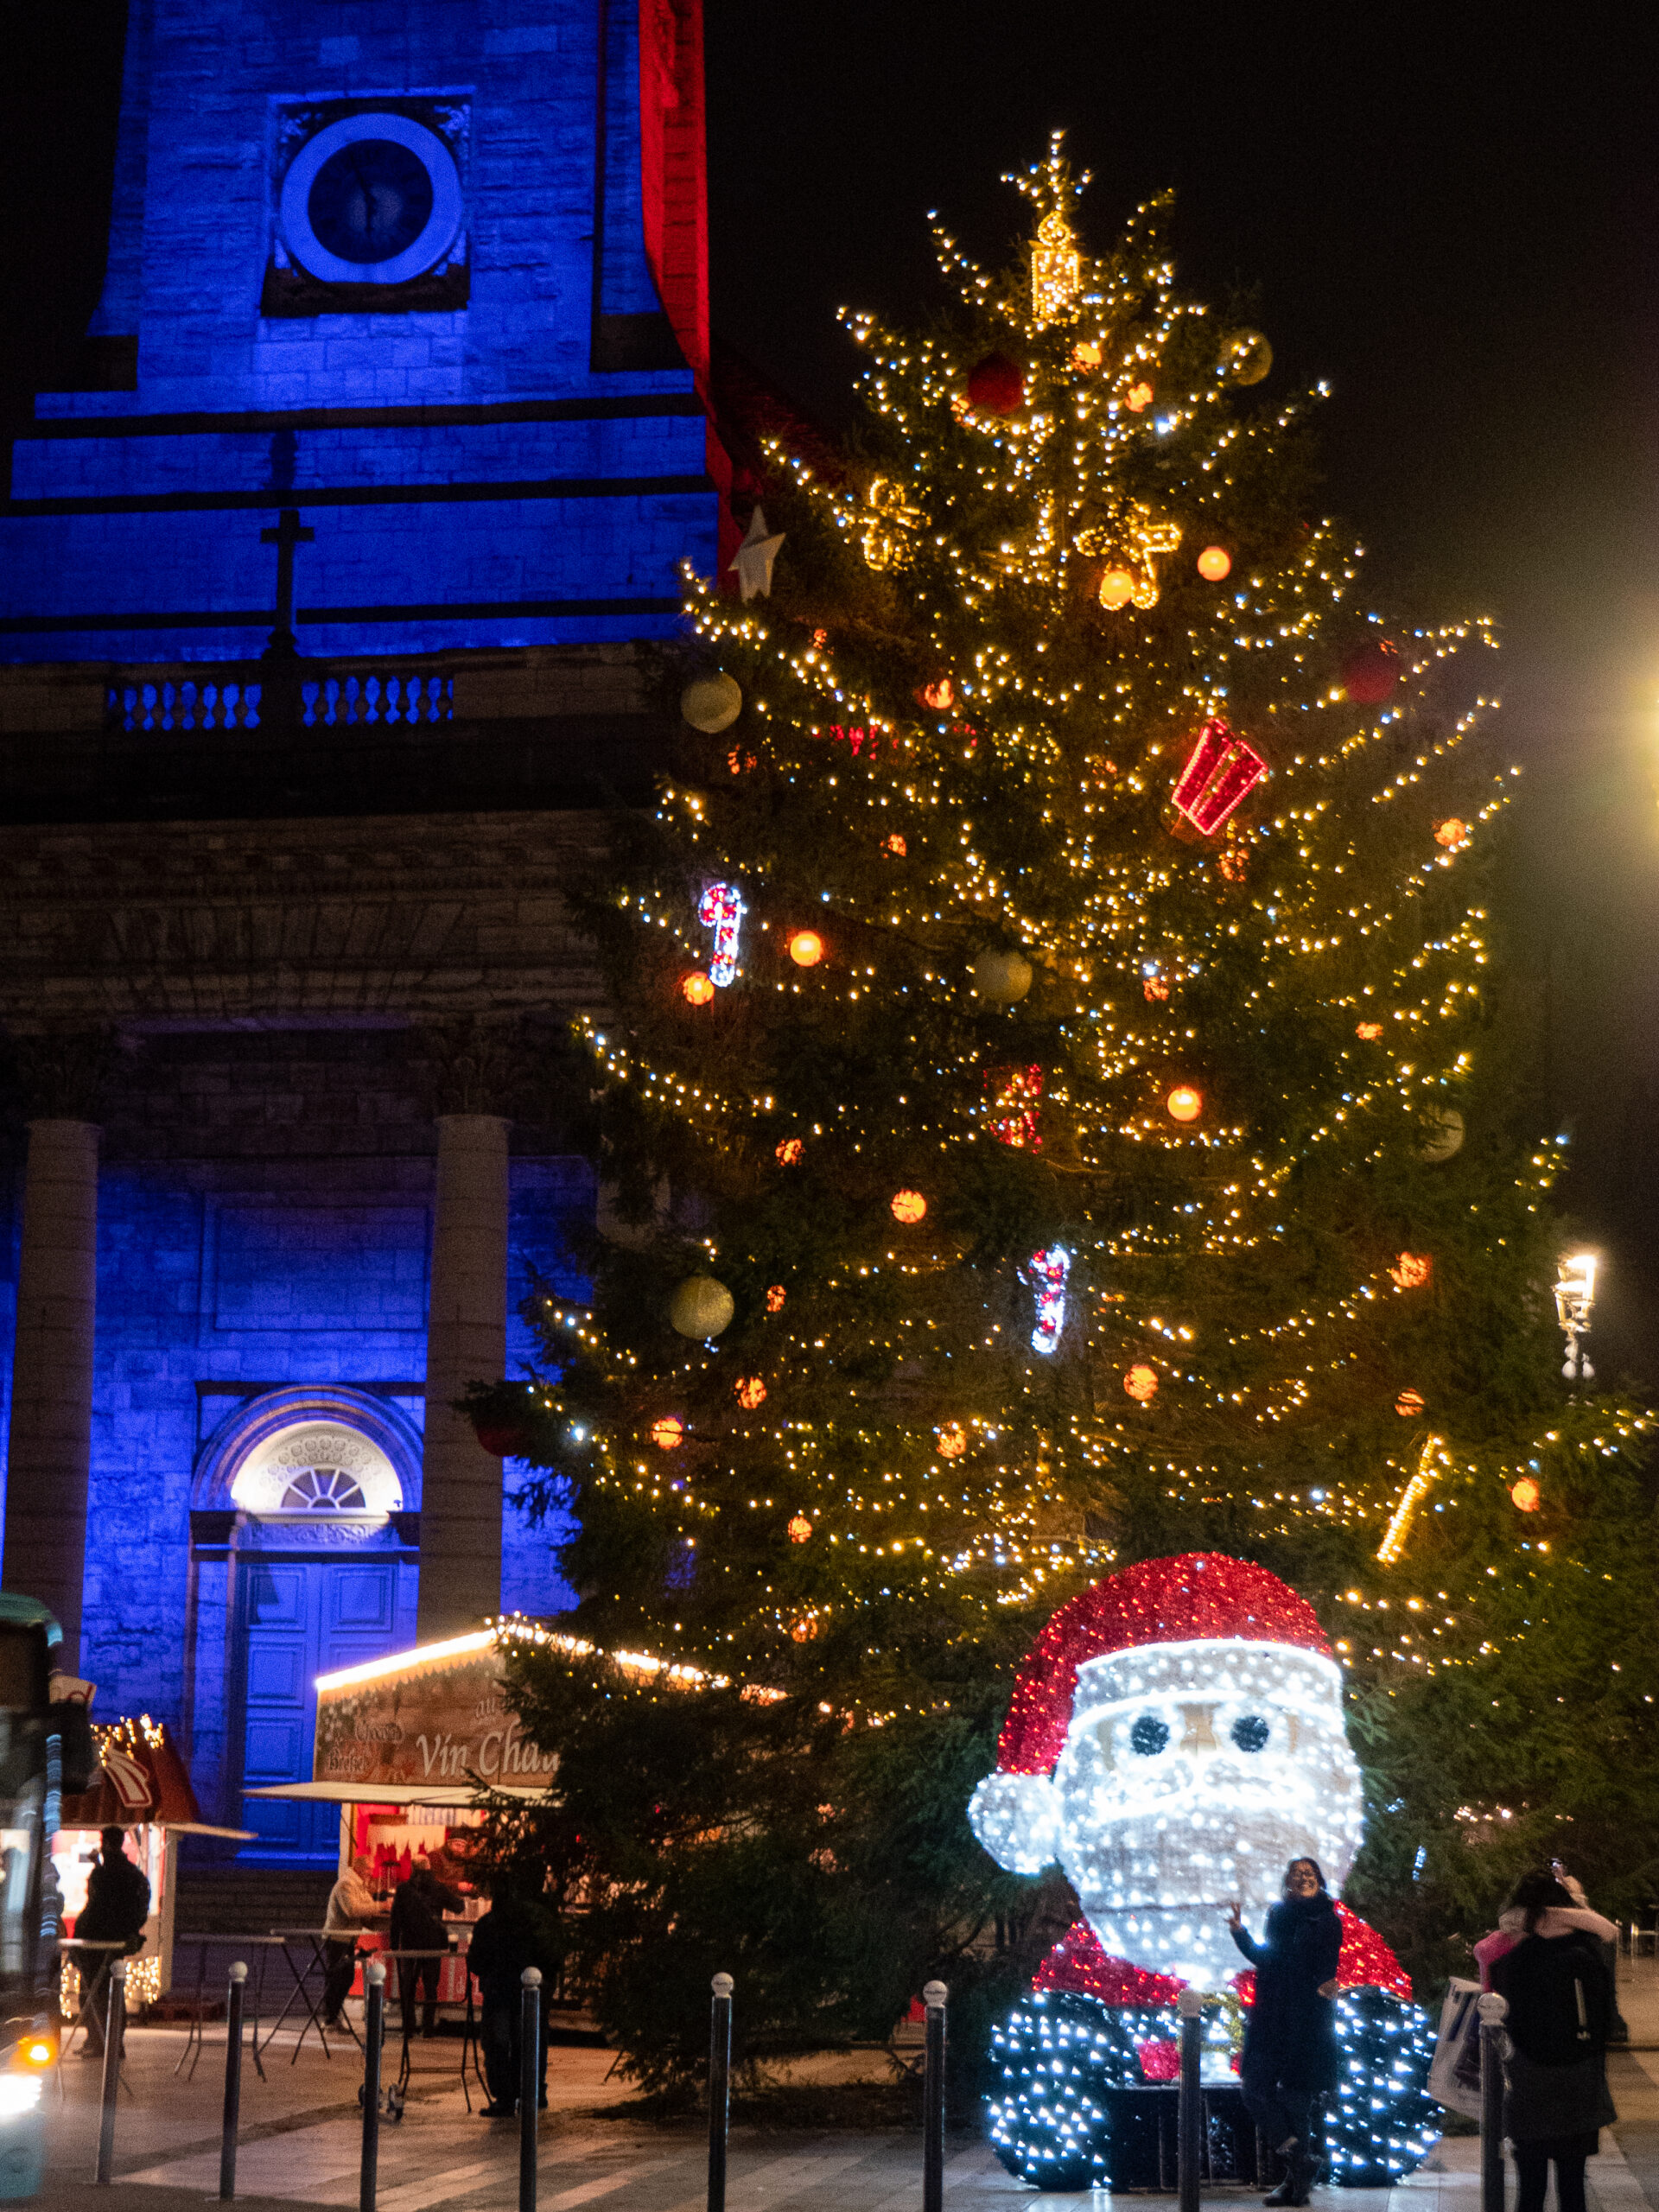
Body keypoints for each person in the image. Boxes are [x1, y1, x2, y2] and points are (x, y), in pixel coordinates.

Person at [1486, 1872, 1617, 2212]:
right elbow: (1607, 2019)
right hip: (1579, 2078)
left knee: (1530, 2187)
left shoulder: (1512, 1960)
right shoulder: (1587, 1954)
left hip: (1529, 2077)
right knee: (1573, 2184)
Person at [1227, 1856, 1342, 2208]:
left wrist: (1325, 1984)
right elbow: (1268, 1959)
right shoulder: (1278, 1915)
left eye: (1309, 1873)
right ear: (1288, 1882)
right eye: (1296, 1874)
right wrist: (1240, 1934)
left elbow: (1324, 1964)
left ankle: (1295, 2187)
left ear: (1319, 1880)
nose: (1303, 1878)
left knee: (1297, 2101)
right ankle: (1298, 2161)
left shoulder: (1327, 1919)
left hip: (1306, 2017)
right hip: (1272, 2015)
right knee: (1254, 2089)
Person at [466, 1875, 561, 2117]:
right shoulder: (540, 1920)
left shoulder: (489, 1923)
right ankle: (533, 2091)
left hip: (498, 1992)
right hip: (531, 1993)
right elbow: (552, 1956)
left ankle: (505, 2098)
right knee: (531, 2041)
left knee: (498, 2044)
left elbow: (476, 1961)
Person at [75, 1827, 150, 2057]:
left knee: (92, 1992)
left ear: (107, 1843)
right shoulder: (133, 1874)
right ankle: (115, 2043)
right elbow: (139, 1908)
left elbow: (97, 1906)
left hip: (96, 1943)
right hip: (118, 1941)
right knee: (114, 1992)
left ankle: (97, 2041)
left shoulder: (104, 1874)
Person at [389, 1862, 462, 2037]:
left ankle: (409, 2028)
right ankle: (428, 2028)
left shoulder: (403, 1890)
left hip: (409, 1942)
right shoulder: (438, 1887)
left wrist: (394, 1944)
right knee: (430, 1986)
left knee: (408, 1986)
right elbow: (459, 1907)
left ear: (412, 1868)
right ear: (429, 1868)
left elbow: (395, 1919)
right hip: (432, 1943)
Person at [322, 1853, 378, 2029]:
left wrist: (375, 1906)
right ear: (359, 1868)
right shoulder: (346, 1884)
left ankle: (333, 2015)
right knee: (337, 1977)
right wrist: (380, 1906)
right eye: (369, 1869)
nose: (371, 1872)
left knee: (346, 1977)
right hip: (337, 1938)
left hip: (347, 1938)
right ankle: (329, 2017)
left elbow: (366, 1903)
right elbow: (352, 1910)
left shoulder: (358, 1885)